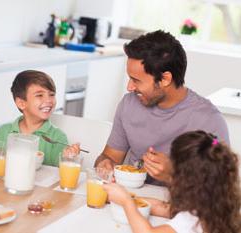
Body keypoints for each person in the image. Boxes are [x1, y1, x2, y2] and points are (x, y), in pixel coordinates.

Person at [94, 30, 229, 185]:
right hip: (127, 199)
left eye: (136, 80)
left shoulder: (208, 120)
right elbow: (110, 156)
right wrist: (104, 164)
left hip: (176, 206)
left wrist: (172, 175)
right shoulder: (129, 104)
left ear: (165, 79)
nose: (129, 87)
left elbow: (220, 188)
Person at [103, 130, 241, 233]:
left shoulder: (191, 221)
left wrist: (127, 202)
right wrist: (121, 198)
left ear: (184, 178)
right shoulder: (217, 207)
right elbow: (163, 208)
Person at [0, 70, 79, 166]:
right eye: (39, 95)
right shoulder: (4, 132)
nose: (48, 100)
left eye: (51, 94)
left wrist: (67, 157)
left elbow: (59, 171)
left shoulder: (57, 137)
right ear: (21, 103)